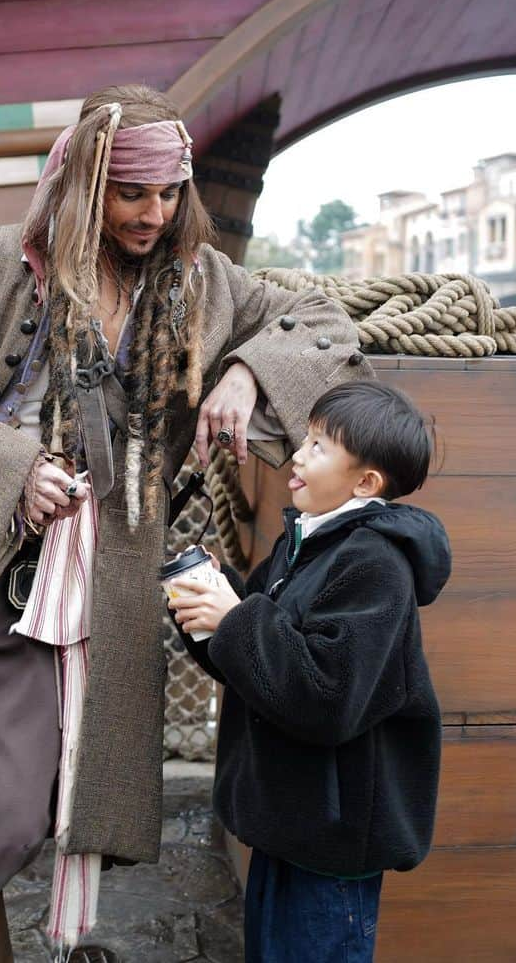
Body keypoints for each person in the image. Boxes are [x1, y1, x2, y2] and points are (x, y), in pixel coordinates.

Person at [0, 84, 371, 963]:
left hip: (52, 601)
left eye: (169, 195)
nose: (153, 214)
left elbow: (323, 323)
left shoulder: (203, 282)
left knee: (2, 817)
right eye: (132, 194)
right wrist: (11, 470)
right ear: (84, 183)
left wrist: (245, 370)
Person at [167, 379, 451, 963]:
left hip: (332, 845)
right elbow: (260, 668)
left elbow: (328, 697)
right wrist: (207, 613)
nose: (297, 454)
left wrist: (236, 619)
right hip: (286, 826)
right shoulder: (304, 542)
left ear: (365, 482)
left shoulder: (375, 565)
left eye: (319, 446)